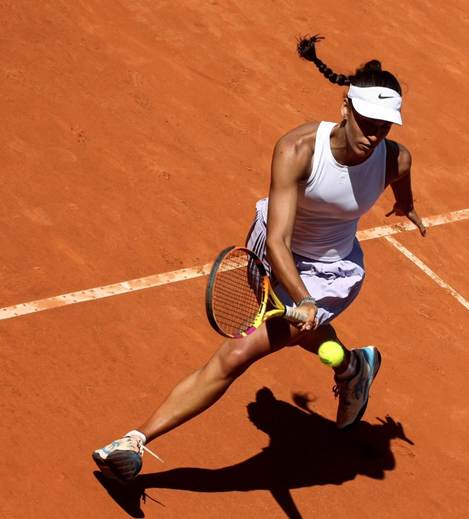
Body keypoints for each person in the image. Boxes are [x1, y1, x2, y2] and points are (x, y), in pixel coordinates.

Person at [92, 34, 426, 482]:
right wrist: (301, 299)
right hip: (273, 251)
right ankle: (353, 367)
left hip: (329, 273)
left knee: (236, 354)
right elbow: (278, 241)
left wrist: (407, 206)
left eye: (385, 127)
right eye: (367, 122)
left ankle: (133, 442)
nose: (374, 135)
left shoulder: (393, 159)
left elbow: (401, 180)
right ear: (345, 108)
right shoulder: (298, 150)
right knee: (297, 329)